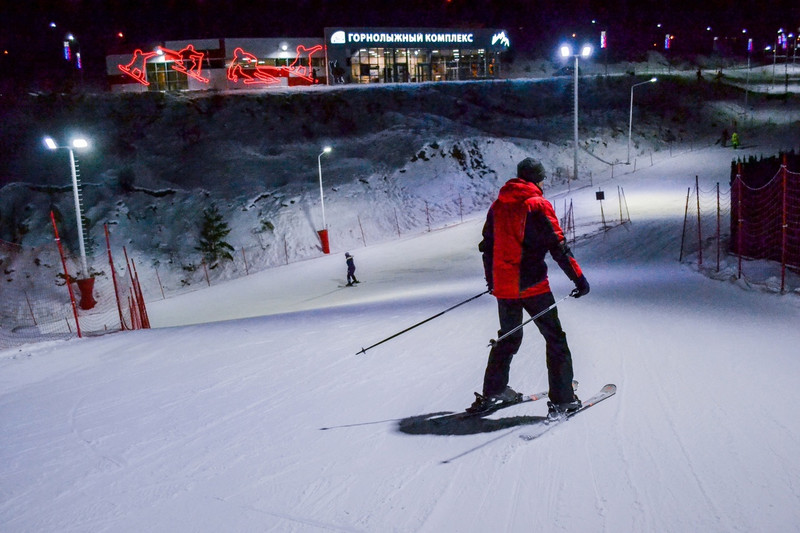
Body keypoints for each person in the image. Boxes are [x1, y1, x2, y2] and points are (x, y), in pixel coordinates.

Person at [467, 158, 590, 419]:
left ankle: (494, 390)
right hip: (533, 286)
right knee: (555, 339)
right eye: (542, 178)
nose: (544, 183)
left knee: (509, 337)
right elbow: (558, 245)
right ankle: (563, 400)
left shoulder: (498, 205)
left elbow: (486, 247)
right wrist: (578, 279)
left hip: (505, 288)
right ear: (536, 179)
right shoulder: (538, 205)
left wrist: (493, 281)